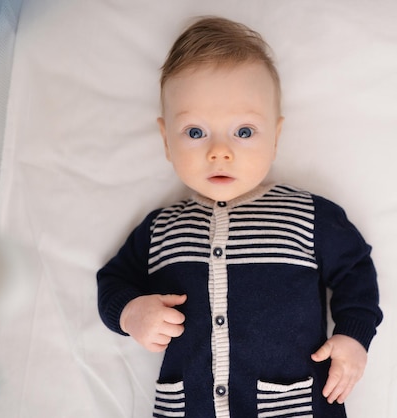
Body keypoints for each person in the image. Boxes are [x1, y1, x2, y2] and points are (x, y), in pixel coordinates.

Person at [97, 16, 382, 418]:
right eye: (195, 132)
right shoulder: (160, 228)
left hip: (293, 405)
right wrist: (130, 313)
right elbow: (111, 282)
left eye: (244, 132)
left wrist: (354, 337)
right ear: (166, 140)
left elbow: (356, 272)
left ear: (276, 136)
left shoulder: (308, 215)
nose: (219, 151)